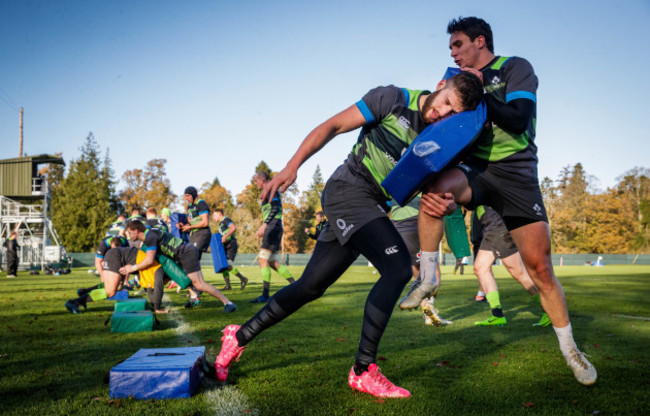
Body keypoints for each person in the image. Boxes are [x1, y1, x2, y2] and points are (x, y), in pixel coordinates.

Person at [214, 72, 484, 398]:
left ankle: (239, 336)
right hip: (348, 189)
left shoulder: (440, 137)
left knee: (310, 286)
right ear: (440, 87)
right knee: (398, 269)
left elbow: (427, 185)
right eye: (445, 104)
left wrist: (444, 198)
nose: (443, 115)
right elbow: (332, 126)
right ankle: (363, 369)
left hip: (369, 205)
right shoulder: (393, 98)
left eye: (454, 114)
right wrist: (291, 167)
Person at [401, 16, 596, 385]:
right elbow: (441, 127)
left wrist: (477, 91)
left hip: (517, 174)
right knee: (436, 188)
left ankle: (571, 349)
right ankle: (427, 277)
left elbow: (519, 120)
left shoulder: (513, 68)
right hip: (477, 170)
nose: (453, 53)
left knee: (539, 269)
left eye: (458, 45)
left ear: (480, 41)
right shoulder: (453, 81)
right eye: (451, 48)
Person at [122, 220, 237, 313]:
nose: (129, 235)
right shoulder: (150, 233)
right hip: (182, 254)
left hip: (186, 254)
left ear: (136, 230)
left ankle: (228, 303)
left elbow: (149, 260)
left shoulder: (150, 236)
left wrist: (132, 268)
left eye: (129, 232)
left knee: (199, 284)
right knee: (168, 277)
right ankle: (193, 297)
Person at [470, 205, 548, 327]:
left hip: (498, 226)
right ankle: (497, 315)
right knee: (480, 268)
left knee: (518, 272)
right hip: (490, 227)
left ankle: (550, 310)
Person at [390, 196, 448, 326]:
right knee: (433, 271)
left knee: (417, 271)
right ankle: (429, 307)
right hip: (416, 220)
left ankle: (427, 309)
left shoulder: (391, 179)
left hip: (399, 224)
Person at [250, 171, 295, 303]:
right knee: (272, 263)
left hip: (273, 226)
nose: (255, 184)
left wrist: (264, 225)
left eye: (255, 181)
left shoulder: (270, 189)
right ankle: (295, 285)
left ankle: (265, 295)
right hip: (275, 226)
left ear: (262, 180)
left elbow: (275, 208)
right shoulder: (268, 190)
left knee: (262, 260)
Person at [65, 239, 133, 313]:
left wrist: (125, 279)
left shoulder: (125, 242)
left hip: (118, 260)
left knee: (115, 286)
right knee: (110, 290)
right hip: (110, 259)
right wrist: (102, 276)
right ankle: (76, 301)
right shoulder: (104, 244)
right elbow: (98, 262)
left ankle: (84, 293)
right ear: (110, 246)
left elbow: (127, 263)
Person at [178, 186, 212, 307]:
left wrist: (190, 227)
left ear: (193, 194)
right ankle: (198, 289)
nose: (186, 198)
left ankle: (196, 291)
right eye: (185, 196)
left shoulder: (201, 204)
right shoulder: (190, 207)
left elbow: (205, 222)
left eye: (187, 196)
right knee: (193, 262)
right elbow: (189, 221)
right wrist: (183, 225)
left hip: (203, 234)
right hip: (195, 235)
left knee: (190, 260)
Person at [212, 209, 248, 290]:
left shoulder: (226, 219)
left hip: (231, 244)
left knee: (227, 265)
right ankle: (228, 286)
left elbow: (233, 227)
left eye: (214, 215)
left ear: (219, 215)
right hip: (225, 245)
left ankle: (243, 279)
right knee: (223, 265)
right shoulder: (220, 224)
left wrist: (225, 236)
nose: (213, 217)